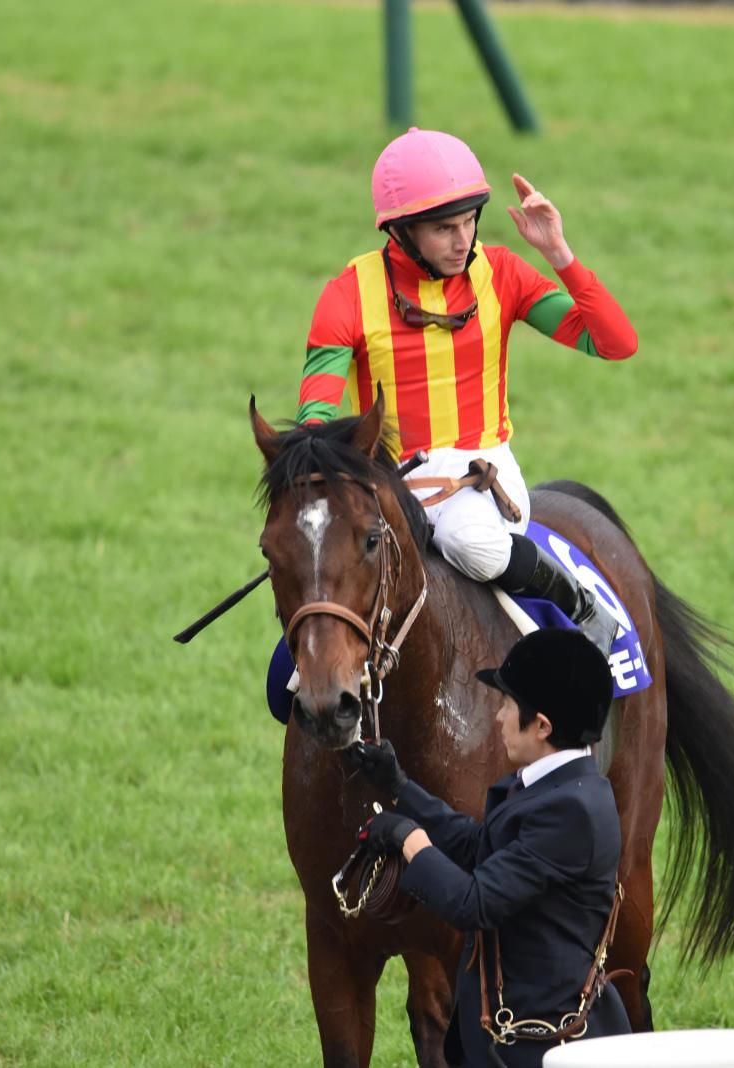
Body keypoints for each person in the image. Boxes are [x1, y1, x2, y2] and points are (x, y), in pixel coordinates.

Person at [298, 127, 638, 651]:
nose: (463, 242)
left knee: (469, 543)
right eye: (443, 229)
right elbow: (315, 425)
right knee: (291, 673)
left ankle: (577, 603)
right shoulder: (346, 296)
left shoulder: (501, 272)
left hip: (479, 480)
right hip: (387, 490)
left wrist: (560, 255)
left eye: (468, 222)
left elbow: (615, 342)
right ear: (401, 230)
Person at [349, 628, 631, 1067]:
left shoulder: (570, 812)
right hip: (509, 1039)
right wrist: (399, 787)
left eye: (507, 704)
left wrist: (407, 838)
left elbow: (473, 903)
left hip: (540, 1046)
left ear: (542, 726)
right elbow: (480, 844)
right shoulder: (554, 786)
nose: (497, 716)